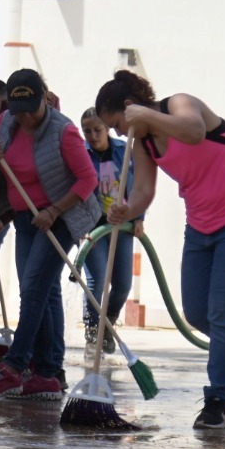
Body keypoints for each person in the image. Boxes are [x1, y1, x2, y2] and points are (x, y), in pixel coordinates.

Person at [94, 72, 225, 429]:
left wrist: (144, 117)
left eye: (117, 124)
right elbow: (143, 189)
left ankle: (216, 401)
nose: (118, 134)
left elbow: (194, 132)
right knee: (197, 314)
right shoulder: (143, 145)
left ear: (129, 109)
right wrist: (127, 208)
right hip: (201, 228)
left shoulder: (180, 104)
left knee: (223, 315)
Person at [0, 69, 99, 402]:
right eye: (18, 110)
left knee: (32, 289)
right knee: (43, 291)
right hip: (26, 217)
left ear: (44, 97)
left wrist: (54, 210)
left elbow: (88, 181)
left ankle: (14, 365)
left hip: (61, 216)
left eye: (31, 108)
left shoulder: (64, 131)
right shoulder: (6, 124)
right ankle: (48, 372)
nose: (25, 117)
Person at [79, 106, 134, 352]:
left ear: (108, 128)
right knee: (97, 279)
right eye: (87, 131)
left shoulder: (124, 150)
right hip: (93, 223)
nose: (93, 135)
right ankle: (93, 331)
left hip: (122, 222)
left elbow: (137, 185)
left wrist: (139, 216)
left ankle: (107, 322)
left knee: (122, 284)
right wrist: (80, 225)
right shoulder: (80, 154)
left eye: (97, 130)